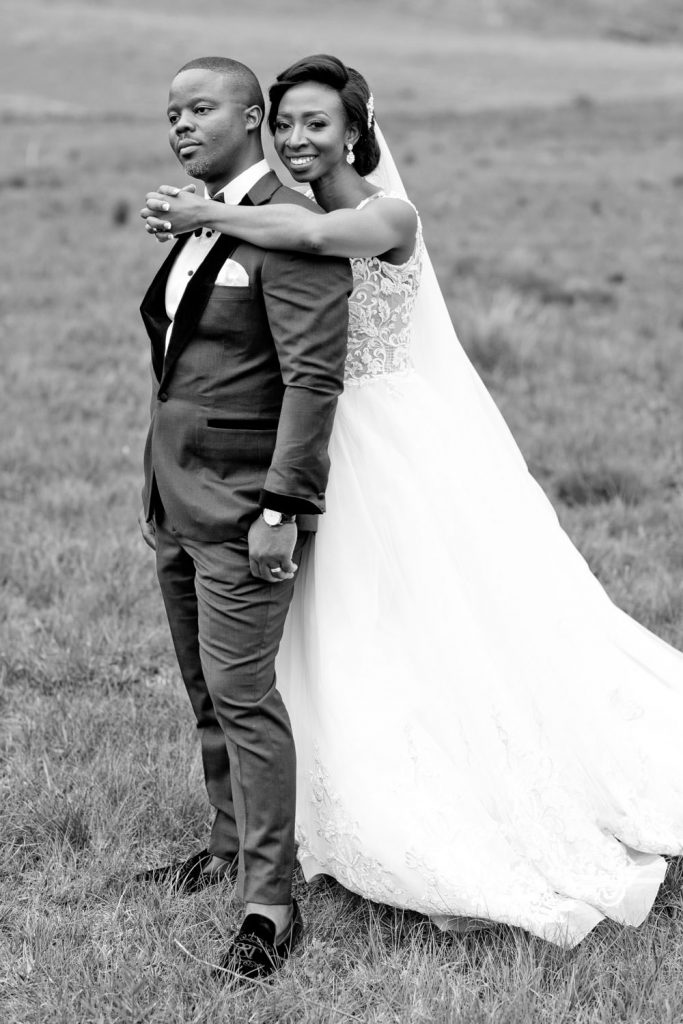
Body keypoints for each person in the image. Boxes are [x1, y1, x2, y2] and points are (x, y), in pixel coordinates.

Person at [141, 54, 683, 948]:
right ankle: (282, 824)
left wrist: (207, 211)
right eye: (285, 125)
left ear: (355, 129)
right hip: (314, 449)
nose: (296, 139)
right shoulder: (283, 213)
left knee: (424, 627)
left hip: (380, 440)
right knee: (332, 645)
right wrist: (221, 214)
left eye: (317, 124)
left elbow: (316, 247)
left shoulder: (379, 214)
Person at [136, 55, 351, 980]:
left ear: (253, 114)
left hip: (243, 505)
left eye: (200, 108)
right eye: (171, 112)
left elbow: (312, 380)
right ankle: (225, 846)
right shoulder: (193, 220)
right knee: (203, 688)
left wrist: (282, 507)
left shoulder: (294, 231)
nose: (181, 125)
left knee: (244, 696)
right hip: (172, 497)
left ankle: (269, 903)